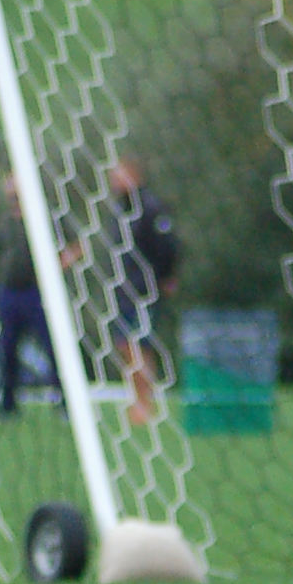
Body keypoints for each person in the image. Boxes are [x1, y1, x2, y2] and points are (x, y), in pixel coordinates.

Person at [0, 176, 79, 418]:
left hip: (38, 293)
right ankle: (7, 404)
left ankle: (65, 402)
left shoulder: (45, 218)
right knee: (7, 347)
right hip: (9, 293)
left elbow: (76, 247)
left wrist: (55, 268)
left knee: (53, 346)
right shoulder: (5, 222)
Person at [107, 156, 180, 424]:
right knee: (124, 345)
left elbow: (169, 246)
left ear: (133, 175)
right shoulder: (120, 210)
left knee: (140, 345)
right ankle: (136, 398)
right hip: (123, 289)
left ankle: (145, 404)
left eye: (119, 174)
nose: (115, 180)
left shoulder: (151, 207)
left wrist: (167, 276)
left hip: (144, 290)